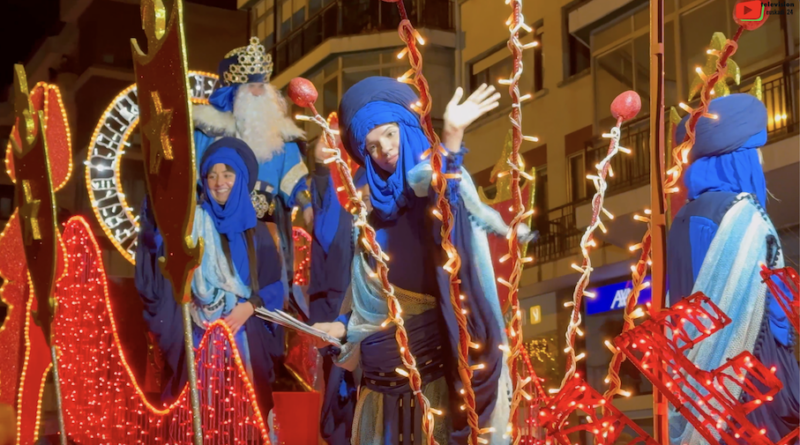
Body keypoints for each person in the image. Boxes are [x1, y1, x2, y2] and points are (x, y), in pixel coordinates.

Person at [312, 77, 536, 444]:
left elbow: (443, 197)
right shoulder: (367, 221)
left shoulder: (425, 195)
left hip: (431, 394)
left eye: (388, 134)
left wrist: (451, 137)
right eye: (371, 146)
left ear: (407, 127)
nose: (384, 149)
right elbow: (365, 302)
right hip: (376, 396)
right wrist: (338, 327)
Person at [667, 93, 799, 444]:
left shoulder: (684, 216)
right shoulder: (742, 213)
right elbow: (774, 316)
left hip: (698, 383)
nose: (760, 161)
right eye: (755, 152)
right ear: (737, 158)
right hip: (751, 383)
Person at [134, 137, 285, 436]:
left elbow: (277, 287)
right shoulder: (192, 225)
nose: (219, 182)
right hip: (197, 341)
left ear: (241, 177)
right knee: (199, 424)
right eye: (211, 175)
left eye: (227, 174)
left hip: (246, 343)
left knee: (247, 427)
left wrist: (249, 306)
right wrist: (157, 198)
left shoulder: (258, 233)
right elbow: (162, 252)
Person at [193, 37, 311, 315]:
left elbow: (295, 180)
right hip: (218, 230)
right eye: (252, 86)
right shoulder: (207, 132)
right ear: (236, 91)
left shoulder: (283, 136)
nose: (259, 93)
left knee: (269, 301)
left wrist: (307, 207)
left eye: (263, 86)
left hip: (265, 232)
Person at [308, 127, 363, 445]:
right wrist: (319, 167)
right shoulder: (341, 223)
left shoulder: (398, 236)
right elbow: (325, 203)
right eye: (364, 195)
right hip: (340, 342)